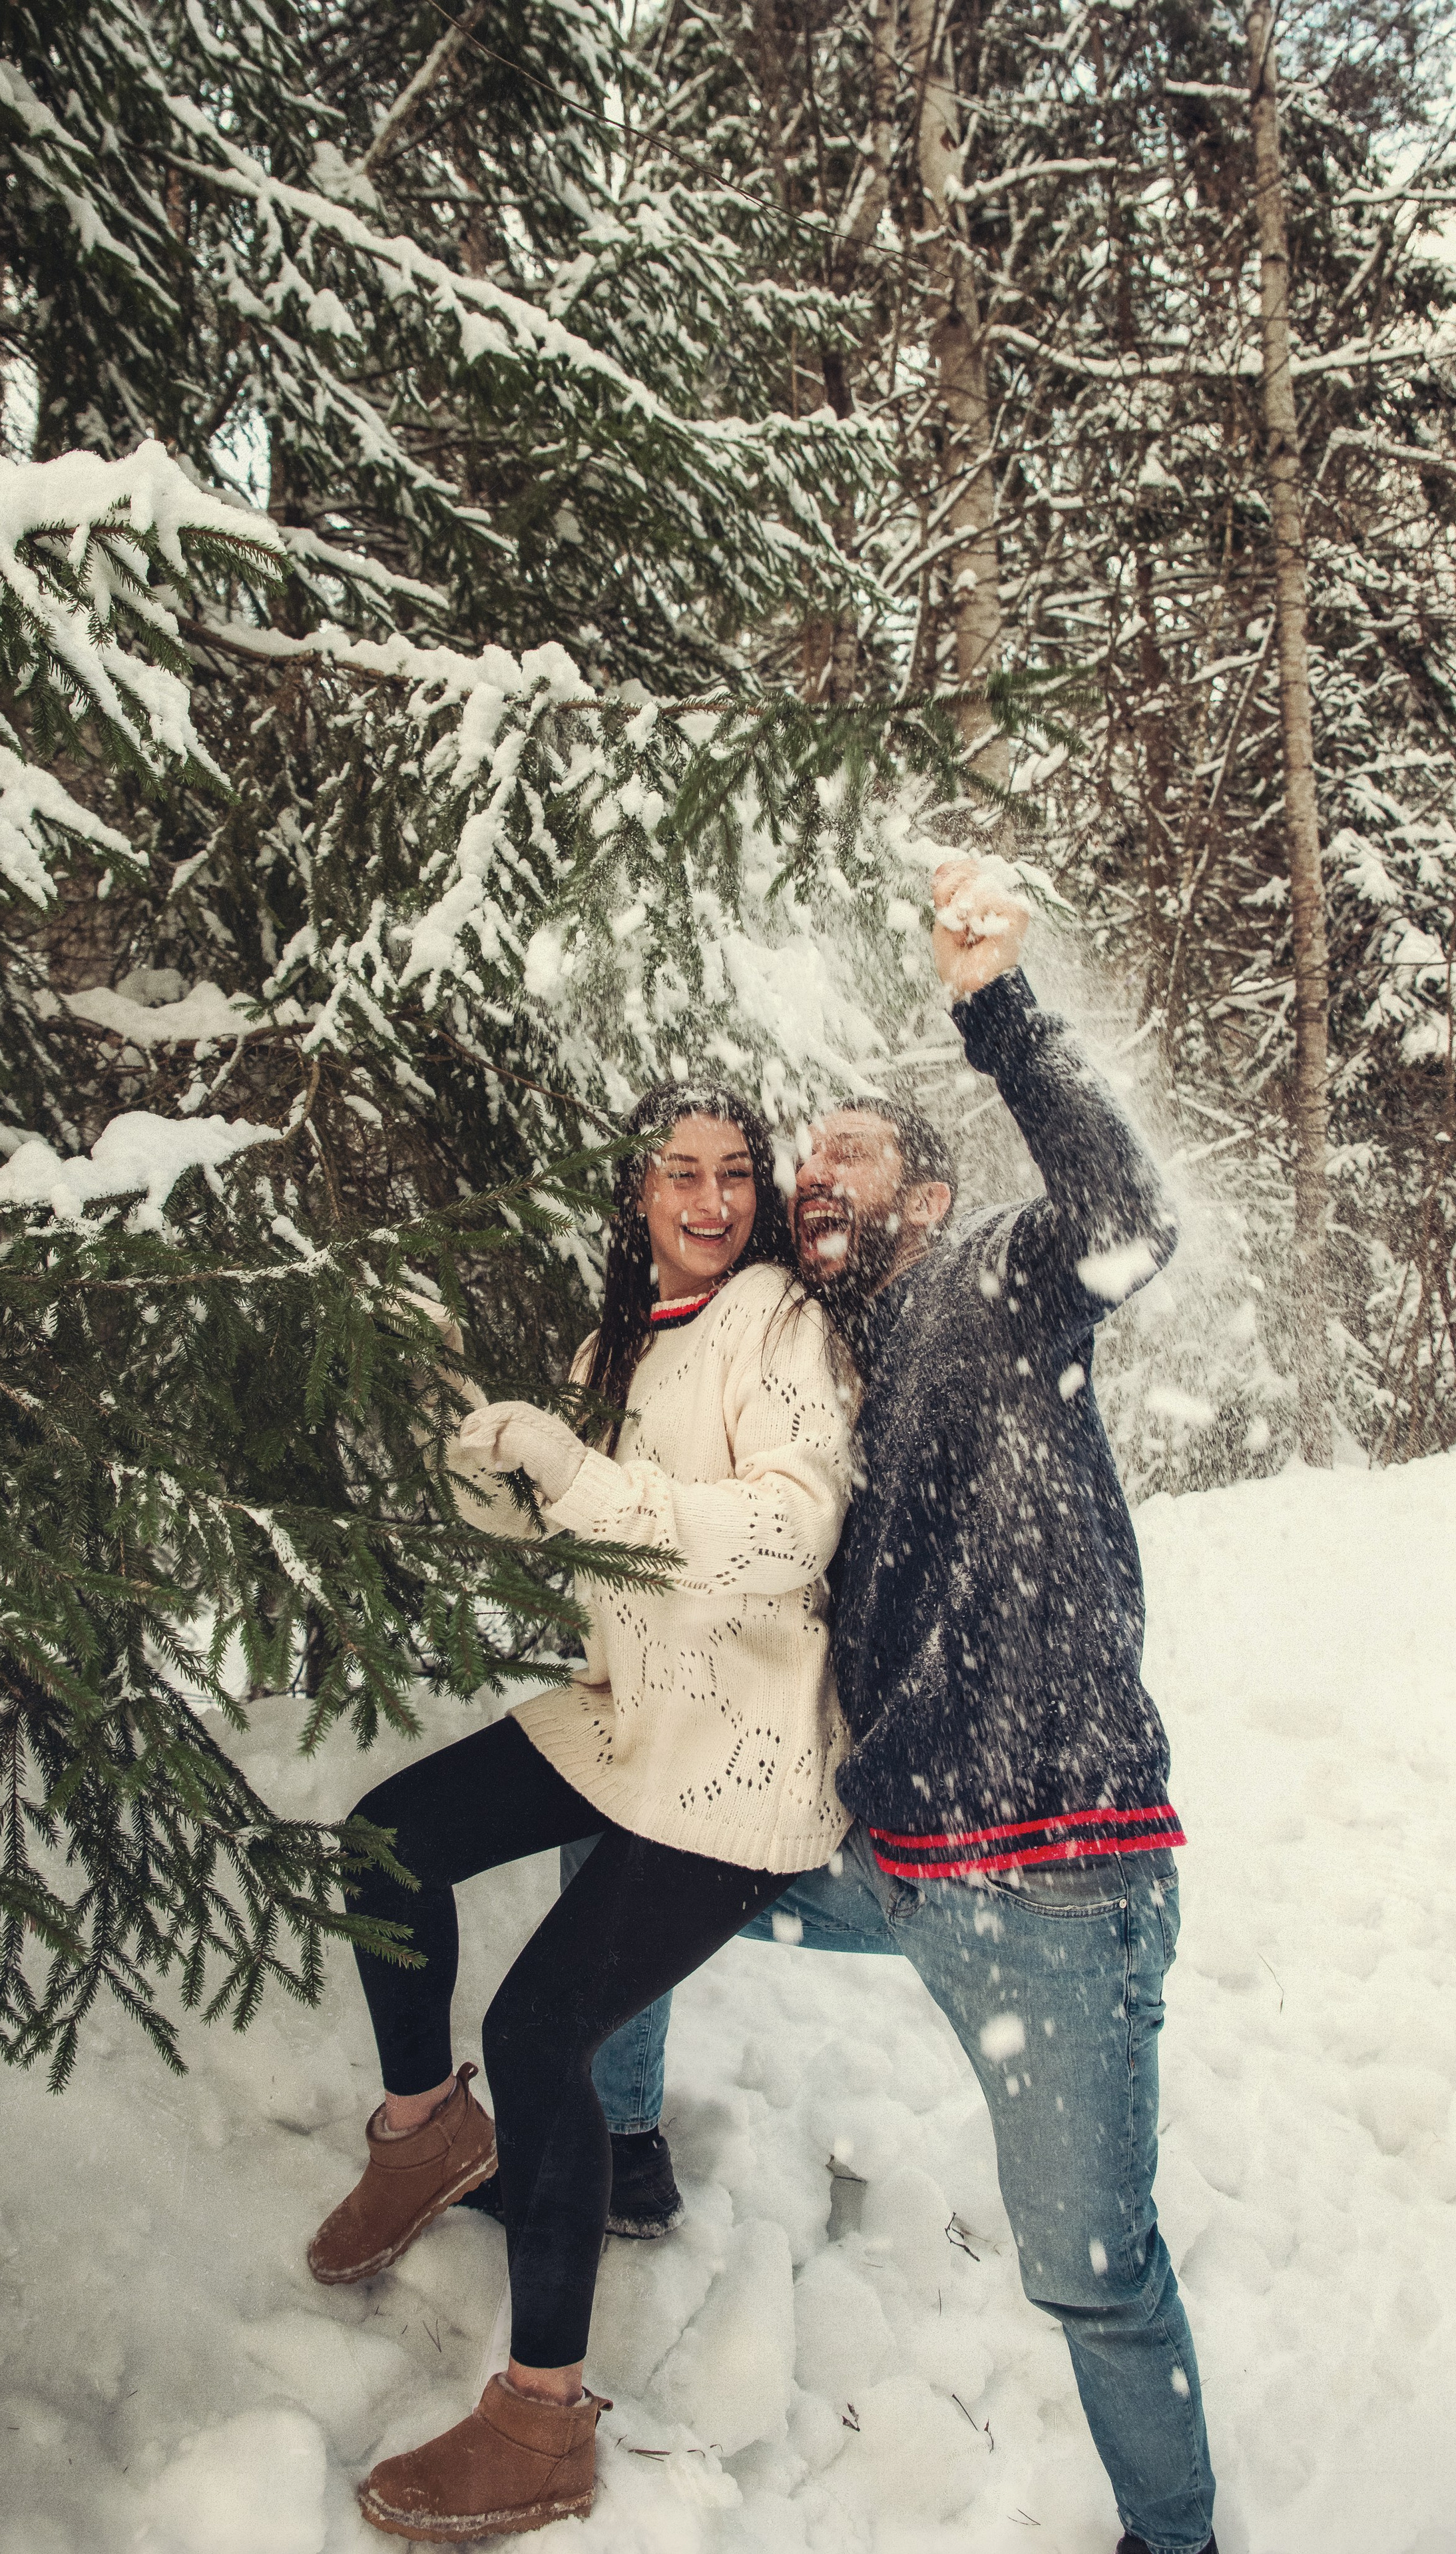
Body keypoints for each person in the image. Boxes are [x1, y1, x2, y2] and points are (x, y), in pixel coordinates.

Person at [571, 860, 1220, 2554]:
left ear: (927, 1199)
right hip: (885, 1862)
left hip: (1054, 1880)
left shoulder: (998, 1291)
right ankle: (625, 2146)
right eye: (808, 1164)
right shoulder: (823, 1373)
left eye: (850, 1151)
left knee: (1088, 2275)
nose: (813, 1177)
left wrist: (993, 1010)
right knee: (623, 1858)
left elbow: (1127, 1219)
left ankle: (1176, 2538)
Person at [305, 1082, 852, 2543]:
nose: (711, 1200)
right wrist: (509, 1488)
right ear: (635, 1191)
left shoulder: (780, 1329)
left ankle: (542, 2420)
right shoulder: (612, 1340)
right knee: (385, 1840)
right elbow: (594, 1520)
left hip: (740, 1756)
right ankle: (424, 2133)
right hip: (629, 1715)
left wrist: (585, 1476)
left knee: (541, 2029)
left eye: (735, 1173)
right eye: (679, 1172)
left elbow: (789, 1526)